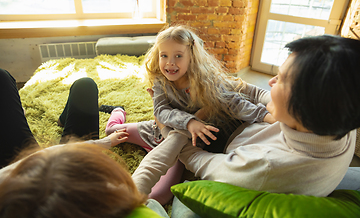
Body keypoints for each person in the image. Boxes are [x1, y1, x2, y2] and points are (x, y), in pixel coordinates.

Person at [132, 35, 360, 199]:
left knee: (170, 132)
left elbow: (197, 160)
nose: (270, 81)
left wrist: (166, 127)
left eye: (280, 79)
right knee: (224, 94)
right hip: (242, 126)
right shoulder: (340, 120)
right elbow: (249, 93)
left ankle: (142, 137)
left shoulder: (263, 168)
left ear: (305, 105)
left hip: (218, 141)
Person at [102, 25, 274, 204]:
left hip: (181, 143)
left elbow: (233, 102)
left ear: (191, 56)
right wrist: (189, 121)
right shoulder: (161, 81)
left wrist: (265, 115)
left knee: (158, 196)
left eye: (178, 55)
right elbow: (160, 111)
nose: (170, 63)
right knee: (112, 131)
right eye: (164, 55)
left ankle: (148, 158)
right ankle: (118, 110)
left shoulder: (205, 79)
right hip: (159, 131)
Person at [0, 68, 171, 218]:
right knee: (85, 85)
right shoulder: (98, 202)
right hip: (35, 169)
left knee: (84, 85)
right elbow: (146, 180)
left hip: (18, 173)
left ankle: (63, 119)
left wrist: (105, 143)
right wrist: (174, 135)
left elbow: (48, 155)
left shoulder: (11, 191)